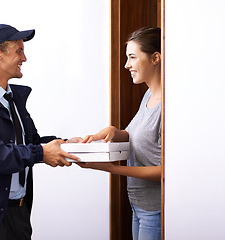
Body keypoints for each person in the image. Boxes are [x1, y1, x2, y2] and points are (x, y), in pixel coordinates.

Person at [0, 24, 81, 240]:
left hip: (18, 214)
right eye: (19, 51)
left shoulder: (13, 100)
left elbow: (30, 142)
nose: (24, 58)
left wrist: (65, 144)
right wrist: (40, 153)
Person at [78, 27, 161, 240]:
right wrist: (114, 132)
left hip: (155, 211)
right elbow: (137, 136)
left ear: (155, 58)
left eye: (132, 57)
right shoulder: (148, 96)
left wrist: (112, 169)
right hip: (138, 205)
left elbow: (164, 171)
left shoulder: (167, 105)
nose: (127, 65)